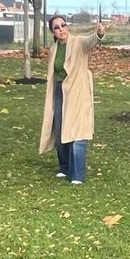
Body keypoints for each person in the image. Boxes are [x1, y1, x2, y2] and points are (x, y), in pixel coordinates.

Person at [39, 14, 105, 184]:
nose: (61, 29)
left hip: (78, 91)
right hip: (60, 92)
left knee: (78, 132)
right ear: (52, 32)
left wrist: (98, 33)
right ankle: (65, 167)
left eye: (63, 25)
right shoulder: (54, 49)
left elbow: (91, 41)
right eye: (57, 27)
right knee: (61, 130)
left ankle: (77, 175)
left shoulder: (78, 43)